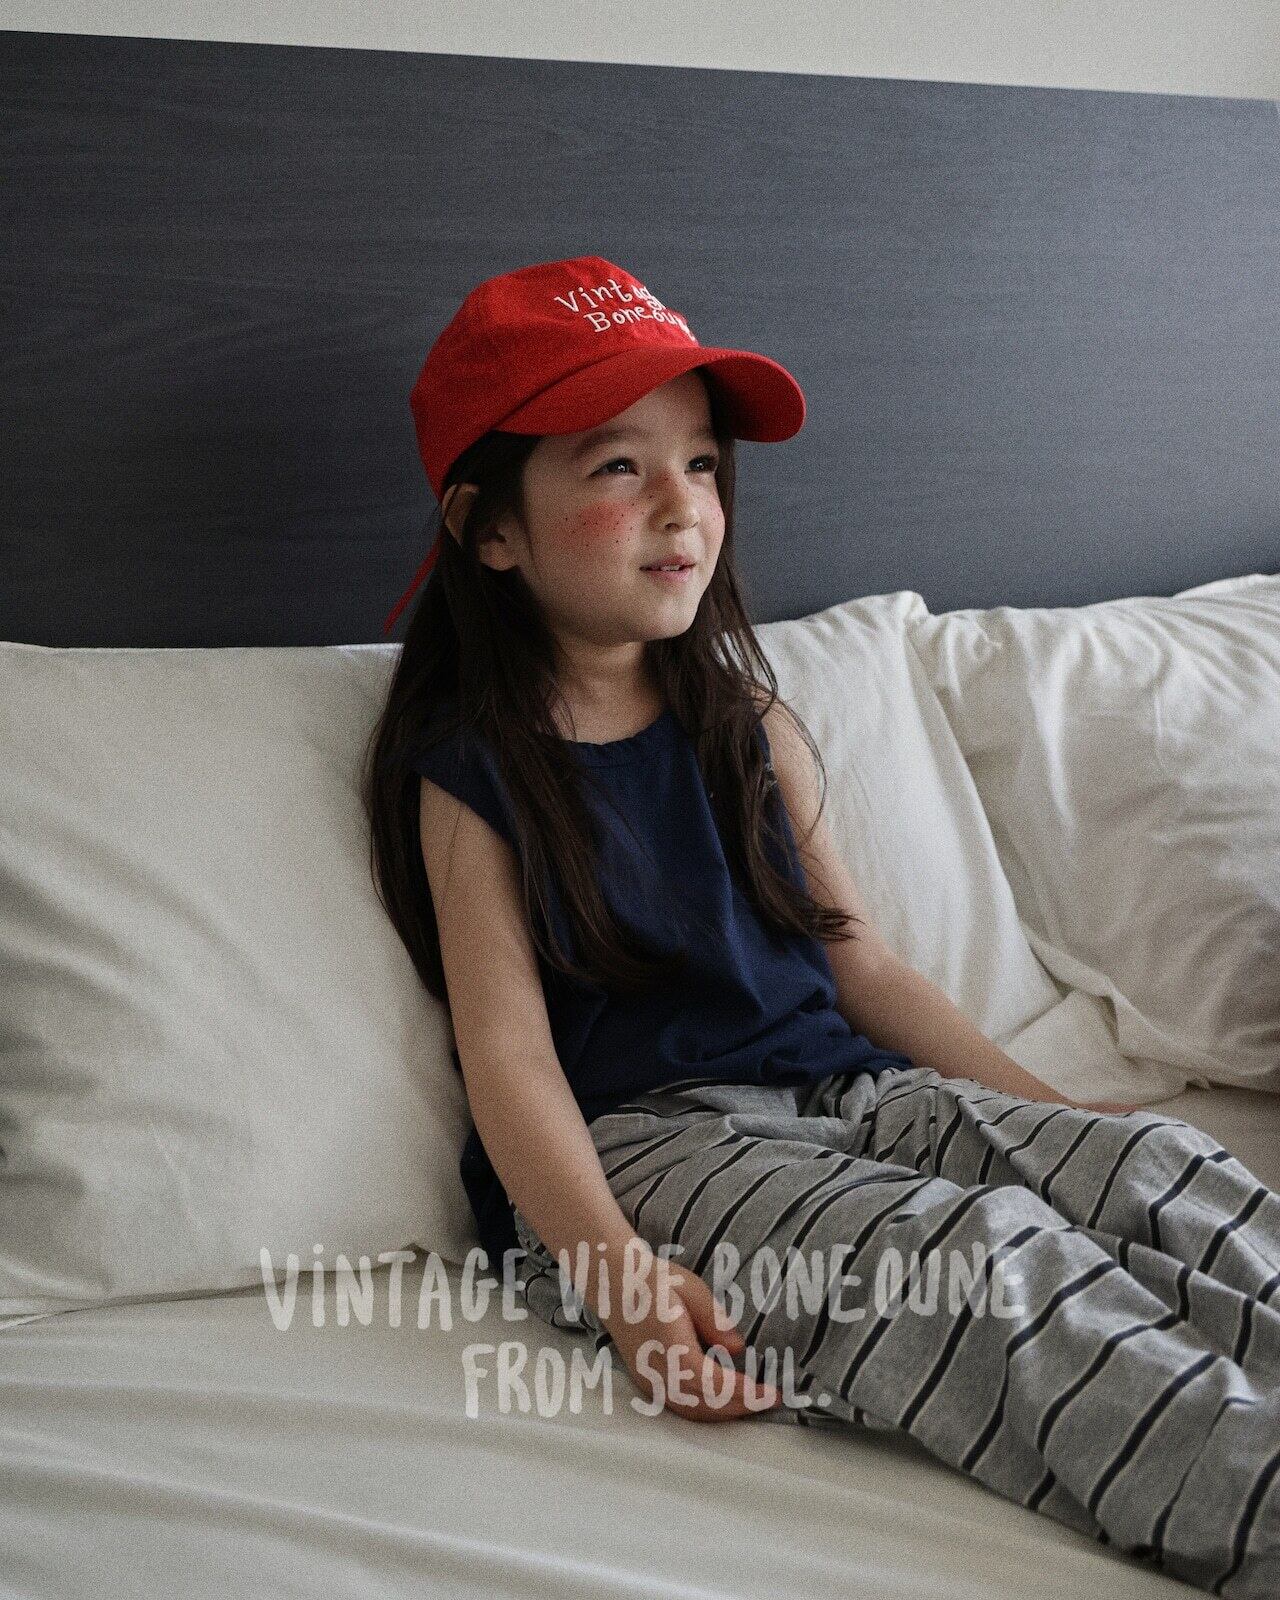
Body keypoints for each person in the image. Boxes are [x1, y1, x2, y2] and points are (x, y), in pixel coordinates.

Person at [365, 254, 1280, 1597]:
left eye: (701, 464)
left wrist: (1060, 1120)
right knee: (975, 1261)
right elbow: (508, 1059)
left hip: (849, 1092)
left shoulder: (750, 723)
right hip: (652, 1150)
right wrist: (617, 1279)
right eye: (617, 467)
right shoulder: (479, 773)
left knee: (1158, 1169)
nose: (681, 504)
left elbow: (862, 962)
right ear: (490, 528)